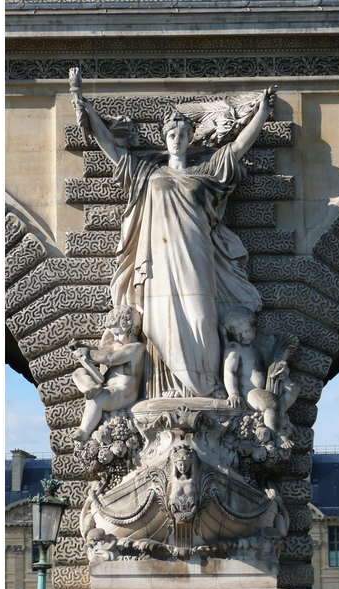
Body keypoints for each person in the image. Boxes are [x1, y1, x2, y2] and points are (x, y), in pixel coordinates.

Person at [75, 88, 276, 399]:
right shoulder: (147, 173)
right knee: (160, 324)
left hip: (197, 258)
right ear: (164, 139)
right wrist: (88, 112)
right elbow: (112, 150)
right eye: (171, 134)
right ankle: (162, 392)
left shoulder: (205, 174)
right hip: (157, 262)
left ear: (190, 137)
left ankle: (208, 389)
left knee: (201, 318)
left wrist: (262, 113)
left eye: (183, 134)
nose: (177, 139)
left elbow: (236, 148)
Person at [221, 306, 299, 448]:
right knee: (270, 404)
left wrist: (283, 372)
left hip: (264, 389)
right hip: (249, 393)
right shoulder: (234, 347)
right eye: (238, 334)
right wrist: (233, 394)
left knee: (292, 387)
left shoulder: (256, 350)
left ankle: (278, 416)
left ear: (253, 328)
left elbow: (267, 369)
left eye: (246, 331)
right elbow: (229, 372)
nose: (243, 336)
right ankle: (277, 435)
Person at [69, 306, 145, 441]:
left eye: (119, 334)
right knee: (78, 372)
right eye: (114, 334)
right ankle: (90, 387)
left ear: (131, 330)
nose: (116, 338)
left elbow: (111, 357)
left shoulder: (136, 348)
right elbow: (102, 351)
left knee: (97, 399)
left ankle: (83, 431)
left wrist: (90, 354)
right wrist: (83, 347)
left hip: (124, 392)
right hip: (108, 387)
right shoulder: (117, 345)